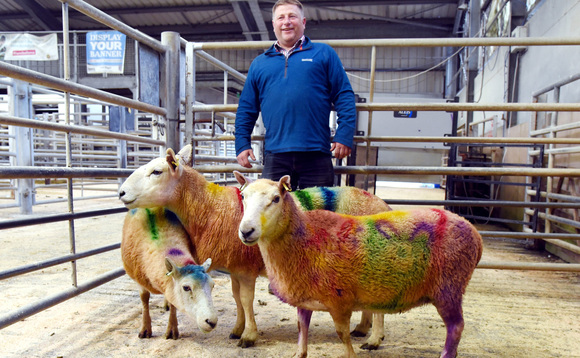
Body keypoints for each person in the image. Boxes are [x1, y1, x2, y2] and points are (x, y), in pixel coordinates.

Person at [235, 0, 356, 190]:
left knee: (318, 216)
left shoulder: (324, 54)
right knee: (274, 215)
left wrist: (344, 135)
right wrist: (242, 143)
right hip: (276, 154)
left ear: (304, 22)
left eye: (292, 16)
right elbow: (246, 108)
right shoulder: (260, 63)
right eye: (281, 17)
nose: (287, 22)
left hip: (316, 152)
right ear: (273, 24)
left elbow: (344, 95)